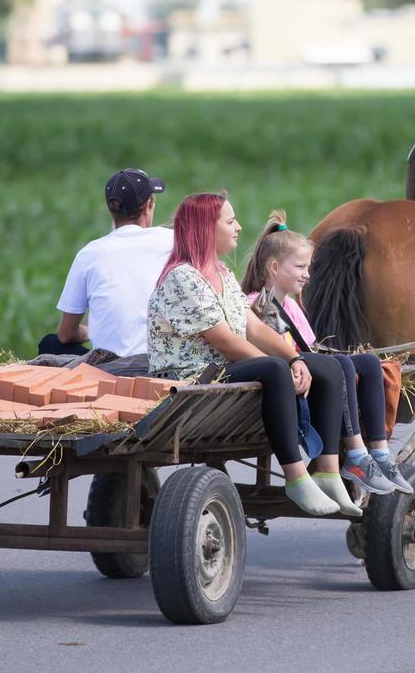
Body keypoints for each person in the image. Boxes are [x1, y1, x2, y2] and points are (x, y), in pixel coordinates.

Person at [147, 192, 357, 517]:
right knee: (273, 369)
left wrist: (295, 359)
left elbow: (256, 329)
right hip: (191, 376)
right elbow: (226, 341)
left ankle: (328, 471)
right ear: (206, 228)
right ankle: (295, 476)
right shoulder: (182, 279)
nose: (239, 227)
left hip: (221, 369)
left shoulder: (223, 275)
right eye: (230, 221)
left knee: (326, 366)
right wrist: (280, 366)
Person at [240, 211, 414, 495]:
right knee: (342, 363)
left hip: (305, 362)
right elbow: (273, 349)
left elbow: (312, 346)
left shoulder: (292, 307)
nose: (307, 274)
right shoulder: (256, 305)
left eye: (308, 267)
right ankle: (356, 455)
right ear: (273, 267)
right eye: (300, 267)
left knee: (370, 363)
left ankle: (380, 454)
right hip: (289, 370)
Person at [41, 168, 173, 358]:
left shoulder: (89, 253)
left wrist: (92, 330)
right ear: (149, 205)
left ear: (111, 209)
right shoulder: (172, 240)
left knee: (50, 344)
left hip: (109, 368)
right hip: (163, 361)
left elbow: (65, 335)